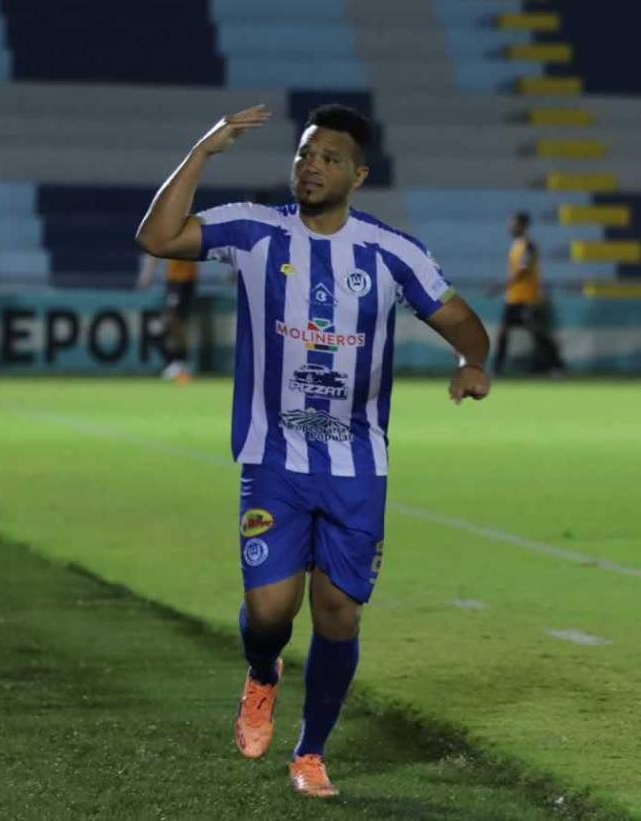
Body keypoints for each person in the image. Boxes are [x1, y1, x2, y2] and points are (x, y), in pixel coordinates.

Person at [135, 103, 491, 797]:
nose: (311, 166)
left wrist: (472, 364)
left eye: (328, 158)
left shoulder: (392, 253)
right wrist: (204, 151)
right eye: (303, 154)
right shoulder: (255, 230)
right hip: (274, 459)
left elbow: (464, 323)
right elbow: (157, 236)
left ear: (358, 174)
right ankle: (263, 673)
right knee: (271, 612)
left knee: (338, 613)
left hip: (358, 467)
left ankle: (311, 752)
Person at [491, 211, 565, 376]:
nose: (510, 227)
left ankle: (557, 367)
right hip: (513, 298)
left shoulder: (528, 246)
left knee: (538, 334)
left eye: (513, 224)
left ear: (522, 226)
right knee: (504, 333)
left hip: (527, 299)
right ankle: (497, 369)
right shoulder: (516, 246)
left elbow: (522, 271)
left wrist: (502, 285)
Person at [137, 254, 197, 381]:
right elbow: (153, 251)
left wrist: (147, 274)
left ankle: (179, 363)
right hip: (175, 280)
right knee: (172, 321)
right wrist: (147, 274)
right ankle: (178, 362)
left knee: (177, 321)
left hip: (185, 280)